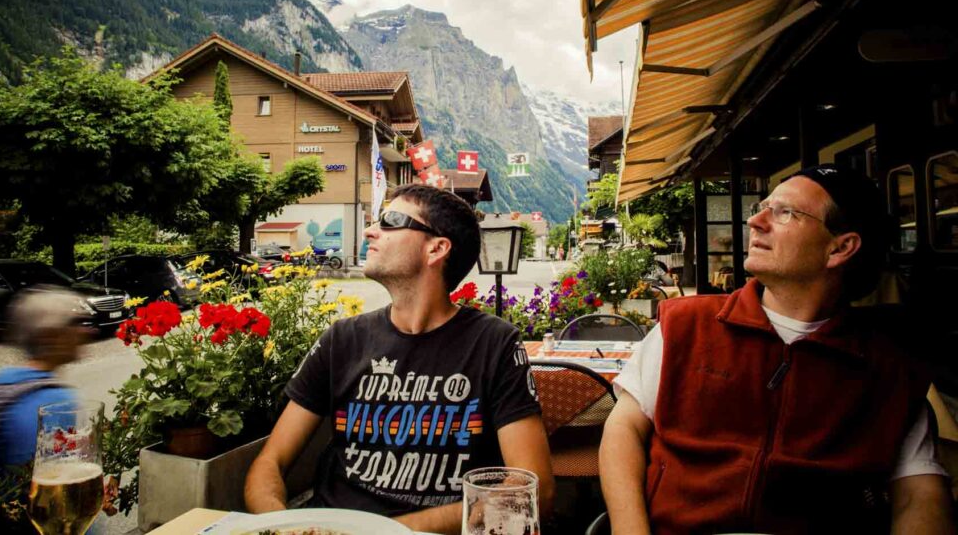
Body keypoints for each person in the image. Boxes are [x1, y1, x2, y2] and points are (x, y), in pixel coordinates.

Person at [600, 165, 955, 534]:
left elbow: (920, 492)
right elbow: (623, 428)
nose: (755, 220)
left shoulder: (887, 368)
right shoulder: (686, 326)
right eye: (765, 206)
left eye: (785, 212)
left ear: (840, 247)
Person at [245, 184, 554, 533]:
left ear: (436, 248)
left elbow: (532, 488)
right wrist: (281, 524)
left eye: (391, 220)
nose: (369, 231)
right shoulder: (342, 340)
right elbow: (269, 462)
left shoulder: (495, 344)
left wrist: (384, 532)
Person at [0, 287, 92, 466]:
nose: (88, 331)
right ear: (50, 335)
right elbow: (54, 475)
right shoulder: (55, 402)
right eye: (75, 323)